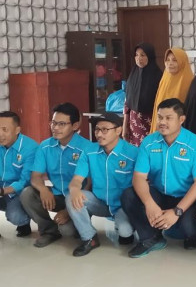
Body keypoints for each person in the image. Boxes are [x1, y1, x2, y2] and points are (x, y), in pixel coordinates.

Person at [122, 98, 196, 258]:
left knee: (187, 228)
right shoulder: (149, 142)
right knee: (128, 195)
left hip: (186, 197)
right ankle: (150, 238)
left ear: (181, 119)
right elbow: (138, 177)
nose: (162, 122)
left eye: (168, 118)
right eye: (160, 117)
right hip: (160, 194)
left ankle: (190, 234)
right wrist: (149, 204)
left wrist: (177, 212)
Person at [20, 103, 94, 247]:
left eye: (61, 124)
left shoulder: (87, 148)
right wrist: (43, 189)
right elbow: (35, 176)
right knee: (27, 193)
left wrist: (67, 211)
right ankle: (49, 231)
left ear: (75, 125)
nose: (55, 127)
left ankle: (79, 223)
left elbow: (91, 183)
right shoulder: (45, 146)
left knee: (68, 231)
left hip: (79, 198)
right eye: (53, 123)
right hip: (56, 195)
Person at [66, 112, 137, 256]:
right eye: (97, 129)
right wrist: (74, 190)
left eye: (105, 130)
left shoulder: (133, 153)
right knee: (71, 196)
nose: (99, 134)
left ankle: (124, 228)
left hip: (123, 205)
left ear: (118, 130)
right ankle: (89, 238)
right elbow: (76, 180)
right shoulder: (89, 151)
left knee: (125, 232)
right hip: (100, 202)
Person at [0, 111, 37, 238]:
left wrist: (2, 191)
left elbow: (25, 181)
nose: (0, 134)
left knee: (16, 216)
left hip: (18, 192)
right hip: (1, 186)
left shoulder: (30, 148)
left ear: (17, 130)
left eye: (4, 129)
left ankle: (24, 222)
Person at [123, 43, 163, 146]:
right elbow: (127, 103)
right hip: (133, 124)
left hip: (151, 123)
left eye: (142, 55)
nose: (138, 58)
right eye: (136, 55)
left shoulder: (158, 77)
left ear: (150, 56)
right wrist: (124, 126)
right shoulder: (133, 75)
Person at [149, 47, 193, 133]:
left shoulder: (189, 82)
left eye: (174, 60)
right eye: (167, 60)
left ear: (182, 62)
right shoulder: (165, 79)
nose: (170, 63)